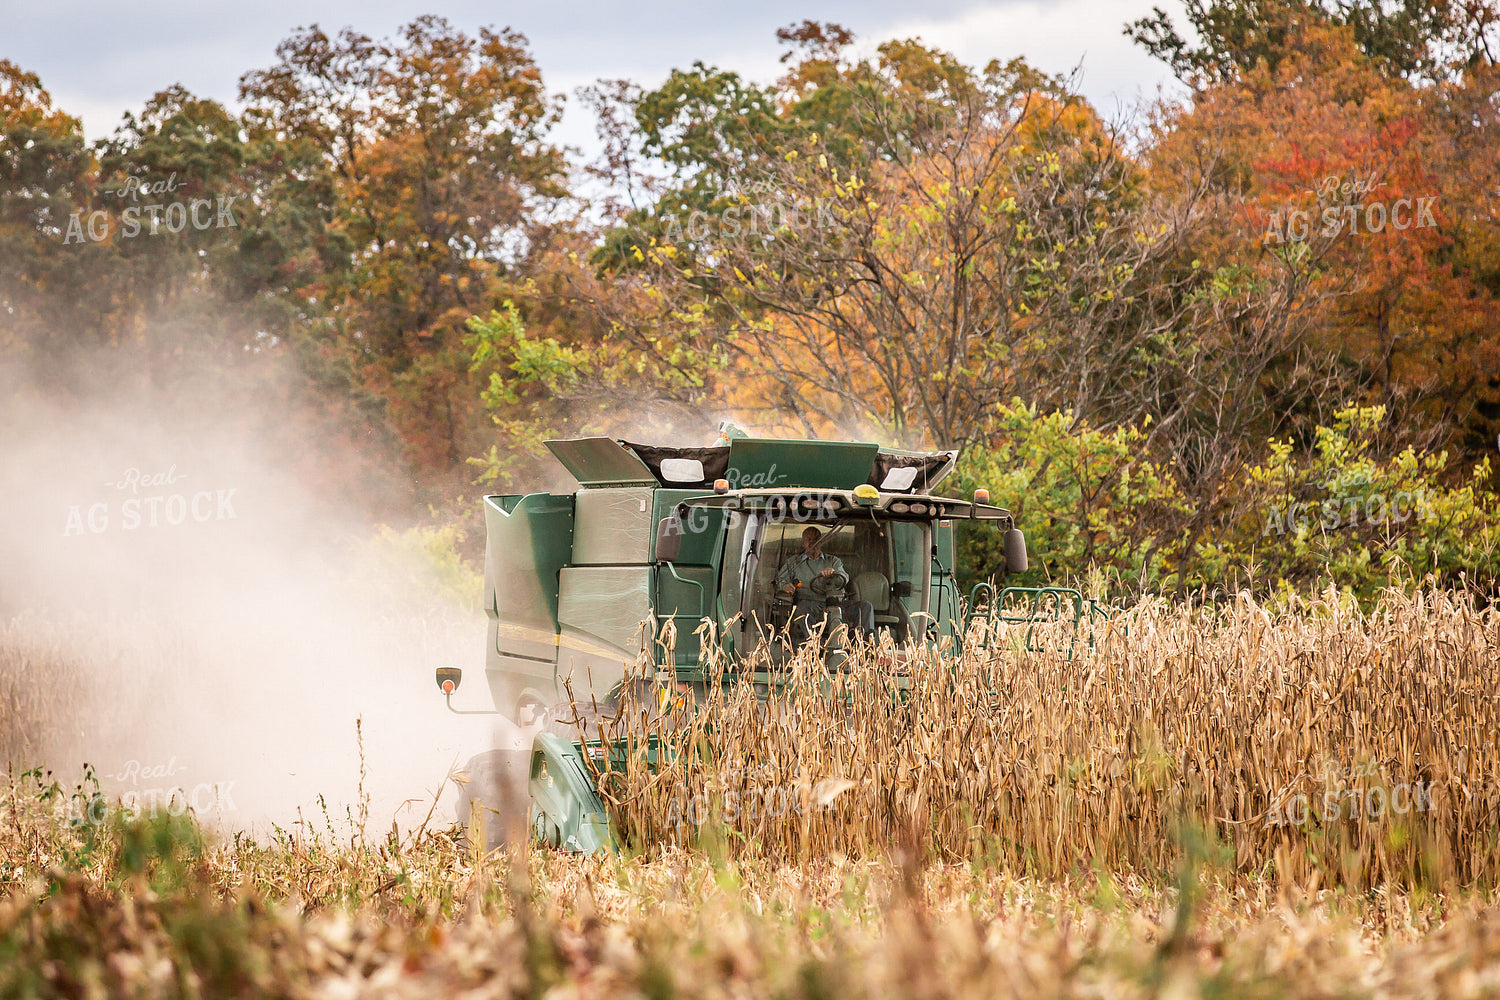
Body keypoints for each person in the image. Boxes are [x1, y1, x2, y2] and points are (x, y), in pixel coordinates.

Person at [776, 527, 874, 644]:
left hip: (836, 603)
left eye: (816, 539)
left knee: (865, 607)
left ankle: (862, 645)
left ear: (821, 542)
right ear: (803, 543)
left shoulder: (833, 561)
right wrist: (785, 586)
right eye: (809, 540)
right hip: (809, 604)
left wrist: (834, 573)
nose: (813, 543)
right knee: (800, 610)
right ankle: (816, 645)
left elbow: (844, 577)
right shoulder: (793, 563)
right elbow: (779, 580)